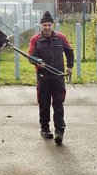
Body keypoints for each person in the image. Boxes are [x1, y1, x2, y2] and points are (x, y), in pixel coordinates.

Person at [28, 10, 74, 145]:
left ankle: (59, 131)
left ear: (52, 25)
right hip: (43, 78)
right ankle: (45, 129)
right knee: (44, 104)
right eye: (44, 25)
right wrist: (37, 61)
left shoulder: (61, 38)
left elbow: (69, 52)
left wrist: (70, 66)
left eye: (49, 25)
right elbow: (31, 56)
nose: (47, 28)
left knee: (58, 105)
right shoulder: (35, 39)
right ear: (40, 26)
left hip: (58, 78)